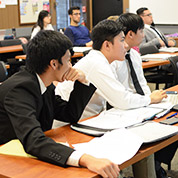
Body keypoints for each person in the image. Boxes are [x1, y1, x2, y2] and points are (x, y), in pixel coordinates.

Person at [0, 30, 120, 178]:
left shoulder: (43, 83)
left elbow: (69, 114)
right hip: (8, 161)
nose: (71, 66)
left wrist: (82, 81)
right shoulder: (20, 89)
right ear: (54, 63)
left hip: (24, 155)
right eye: (69, 60)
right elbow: (34, 141)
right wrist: (85, 159)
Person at [115, 12, 178, 178]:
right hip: (126, 109)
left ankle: (158, 163)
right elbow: (119, 96)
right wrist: (148, 100)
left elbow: (142, 85)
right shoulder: (113, 59)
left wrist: (152, 100)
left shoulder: (134, 54)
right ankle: (158, 168)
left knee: (174, 120)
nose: (144, 35)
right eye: (141, 32)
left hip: (143, 104)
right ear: (130, 34)